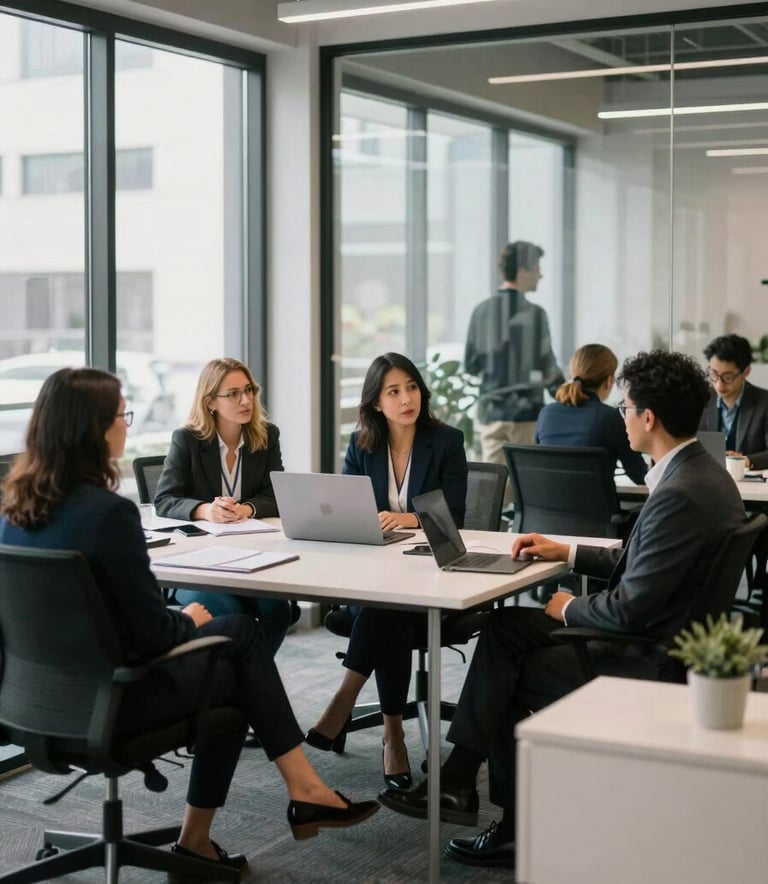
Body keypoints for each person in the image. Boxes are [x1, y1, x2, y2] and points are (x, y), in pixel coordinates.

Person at [0, 367, 378, 875]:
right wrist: (189, 618)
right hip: (117, 700)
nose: (127, 425)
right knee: (237, 649)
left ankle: (270, 805)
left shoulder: (11, 513)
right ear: (92, 429)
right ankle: (285, 798)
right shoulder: (109, 515)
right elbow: (152, 636)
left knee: (238, 653)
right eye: (121, 415)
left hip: (34, 702)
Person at [378, 350, 746, 868]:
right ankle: (460, 782)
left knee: (504, 667)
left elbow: (629, 608)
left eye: (625, 406)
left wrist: (570, 606)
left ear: (648, 418)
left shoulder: (678, 494)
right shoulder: (703, 475)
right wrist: (566, 550)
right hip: (664, 635)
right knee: (505, 630)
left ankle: (491, 808)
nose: (620, 413)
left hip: (645, 657)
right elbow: (648, 561)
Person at [305, 353, 467, 791]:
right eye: (393, 391)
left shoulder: (446, 440)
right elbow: (345, 508)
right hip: (373, 569)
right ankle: (392, 733)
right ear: (377, 403)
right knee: (386, 608)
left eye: (411, 387)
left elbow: (455, 513)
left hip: (431, 574)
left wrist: (408, 519)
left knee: (388, 609)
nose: (406, 398)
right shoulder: (362, 446)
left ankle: (348, 700)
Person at [154, 357, 297, 658]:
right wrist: (206, 510)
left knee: (278, 611)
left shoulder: (266, 436)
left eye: (249, 390)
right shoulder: (187, 440)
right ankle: (247, 688)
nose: (245, 400)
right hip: (198, 565)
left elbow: (278, 494)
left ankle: (245, 684)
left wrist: (247, 509)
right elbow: (165, 499)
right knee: (234, 614)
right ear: (210, 402)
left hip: (252, 557)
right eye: (233, 394)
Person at [464, 240, 564, 478]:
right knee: (527, 489)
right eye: (537, 268)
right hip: (526, 416)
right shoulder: (536, 315)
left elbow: (471, 364)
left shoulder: (481, 311)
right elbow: (547, 367)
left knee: (495, 492)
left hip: (491, 414)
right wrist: (570, 394)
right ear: (522, 271)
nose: (541, 275)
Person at [535, 343, 647, 484]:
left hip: (545, 504)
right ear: (609, 381)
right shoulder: (610, 417)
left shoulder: (547, 414)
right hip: (595, 506)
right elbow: (639, 475)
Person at [699, 333, 768, 470]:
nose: (719, 384)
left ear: (746, 371)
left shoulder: (764, 403)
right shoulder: (701, 399)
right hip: (707, 478)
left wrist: (746, 461)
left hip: (751, 485)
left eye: (728, 377)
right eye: (714, 374)